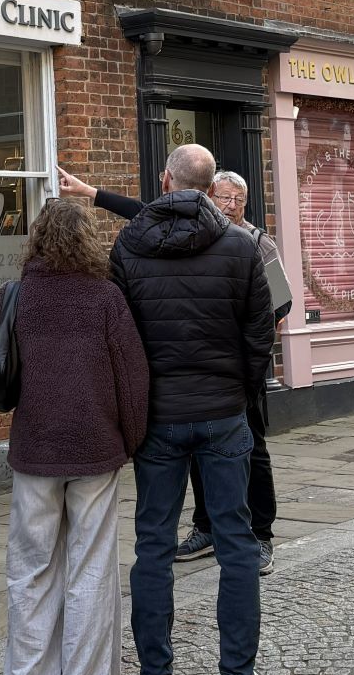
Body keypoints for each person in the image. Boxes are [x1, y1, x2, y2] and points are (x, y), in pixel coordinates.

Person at [109, 144, 275, 675]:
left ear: (164, 180)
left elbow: (120, 340)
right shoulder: (238, 244)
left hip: (159, 417)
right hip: (223, 411)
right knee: (237, 543)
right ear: (209, 190)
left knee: (153, 545)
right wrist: (241, 392)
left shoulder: (129, 244)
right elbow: (260, 334)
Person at [56, 164, 285, 573]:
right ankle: (207, 526)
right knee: (202, 460)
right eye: (225, 198)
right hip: (199, 385)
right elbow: (141, 211)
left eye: (239, 200)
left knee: (254, 456)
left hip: (232, 379)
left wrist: (247, 373)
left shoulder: (255, 242)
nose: (231, 205)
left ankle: (261, 534)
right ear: (210, 194)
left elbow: (278, 308)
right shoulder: (164, 233)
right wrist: (90, 191)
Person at [0, 200, 149, 675]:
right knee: (91, 569)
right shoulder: (106, 298)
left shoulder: (14, 297)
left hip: (34, 447)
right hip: (95, 448)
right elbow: (133, 379)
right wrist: (131, 440)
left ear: (36, 239)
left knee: (29, 573)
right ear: (87, 241)